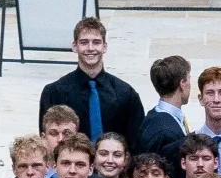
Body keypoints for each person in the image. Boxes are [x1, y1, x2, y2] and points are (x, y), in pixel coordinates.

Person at [40, 15, 146, 145]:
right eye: (84, 42)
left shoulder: (126, 94)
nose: (90, 48)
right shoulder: (54, 93)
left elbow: (137, 142)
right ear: (74, 46)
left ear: (104, 46)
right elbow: (47, 143)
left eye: (96, 42)